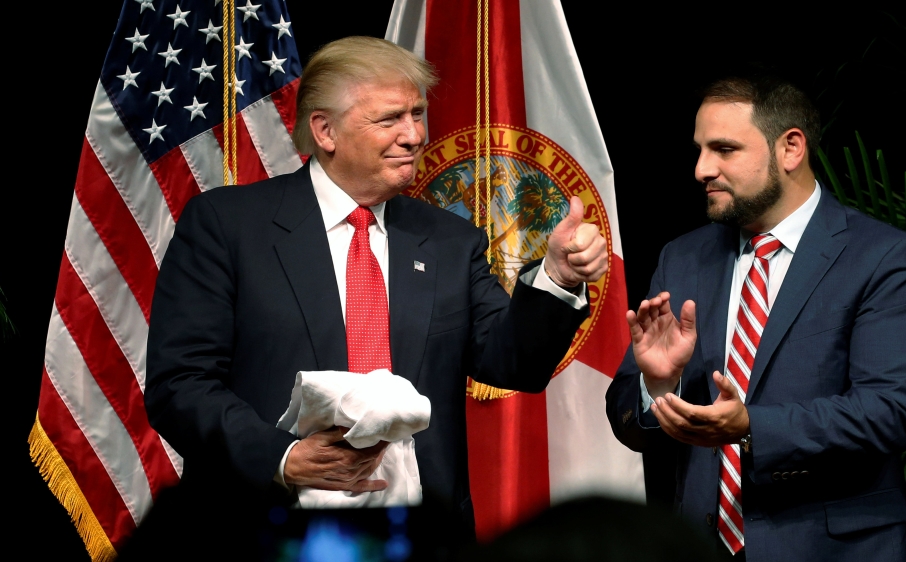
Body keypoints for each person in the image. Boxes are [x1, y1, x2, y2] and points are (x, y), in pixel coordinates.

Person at [144, 36, 606, 538]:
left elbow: (511, 362)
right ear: (325, 130)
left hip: (417, 534)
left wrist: (558, 277)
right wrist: (285, 457)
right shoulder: (228, 227)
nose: (414, 135)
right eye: (389, 120)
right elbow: (180, 385)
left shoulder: (449, 239)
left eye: (417, 114)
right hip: (267, 527)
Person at [605, 76, 906, 561]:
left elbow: (889, 412)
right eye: (699, 149)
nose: (702, 169)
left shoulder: (885, 259)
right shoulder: (682, 258)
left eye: (724, 149)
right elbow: (628, 422)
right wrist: (659, 386)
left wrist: (750, 427)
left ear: (791, 148)